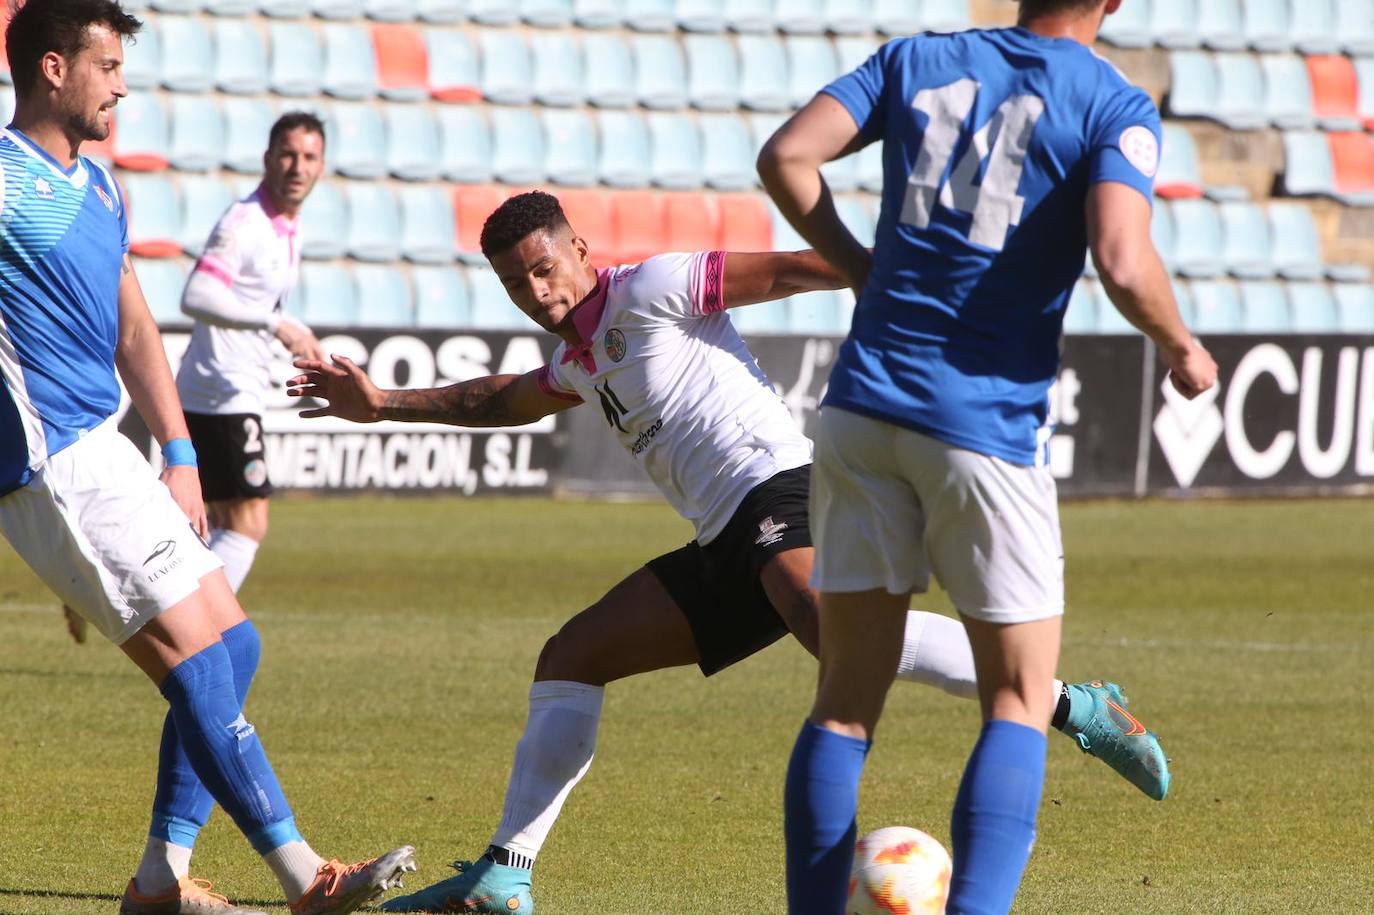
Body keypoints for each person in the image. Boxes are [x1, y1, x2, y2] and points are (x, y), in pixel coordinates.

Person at [287, 190, 1173, 915]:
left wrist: (901, 279)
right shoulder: (583, 356)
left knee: (835, 638)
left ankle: (1071, 703)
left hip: (781, 489)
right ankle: (506, 872)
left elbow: (792, 270)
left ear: (579, 248)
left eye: (545, 267)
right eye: (517, 283)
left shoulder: (654, 287)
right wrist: (382, 403)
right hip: (722, 538)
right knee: (571, 657)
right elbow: (497, 398)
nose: (538, 291)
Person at [755, 1, 1219, 912]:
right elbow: (1123, 262)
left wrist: (862, 264)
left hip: (859, 407)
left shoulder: (915, 58)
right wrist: (1181, 345)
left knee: (844, 702)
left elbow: (785, 156)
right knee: (1019, 695)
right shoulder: (1112, 102)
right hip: (984, 424)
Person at [0, 4, 414, 914]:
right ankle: (306, 875)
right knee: (195, 663)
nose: (122, 84)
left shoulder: (101, 188)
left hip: (111, 450)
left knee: (236, 640)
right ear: (54, 68)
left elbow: (138, 325)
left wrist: (180, 453)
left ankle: (159, 881)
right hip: (52, 465)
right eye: (109, 65)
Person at [175, 110, 327, 595]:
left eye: (309, 157)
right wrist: (275, 324)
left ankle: (173, 620)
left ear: (321, 166)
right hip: (222, 390)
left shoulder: (288, 224)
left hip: (224, 388)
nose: (297, 167)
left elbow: (260, 302)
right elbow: (196, 296)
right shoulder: (246, 222)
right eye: (287, 154)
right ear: (267, 158)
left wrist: (294, 328)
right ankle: (203, 632)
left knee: (214, 524)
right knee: (247, 523)